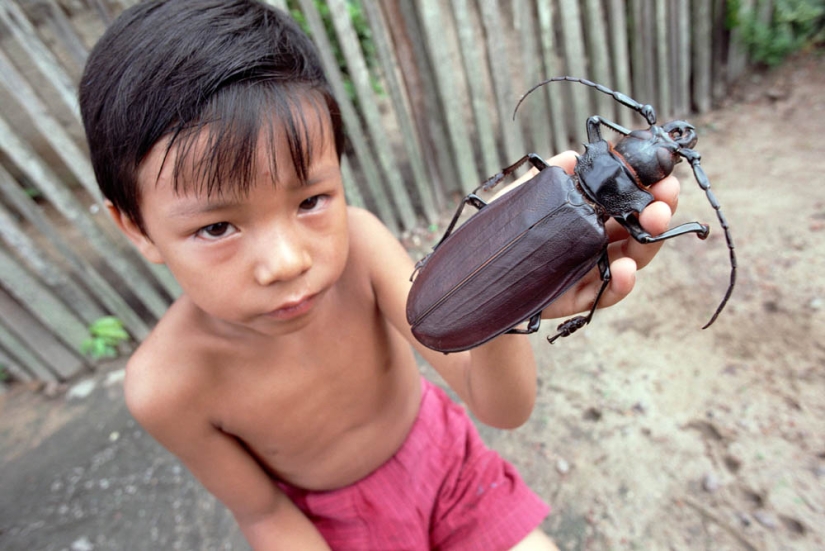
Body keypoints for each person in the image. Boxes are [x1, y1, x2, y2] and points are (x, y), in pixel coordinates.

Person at [79, 1, 679, 549]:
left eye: (310, 200)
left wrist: (507, 289)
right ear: (134, 226)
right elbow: (263, 514)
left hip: (451, 467)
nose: (288, 261)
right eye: (216, 228)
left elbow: (500, 408)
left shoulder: (361, 247)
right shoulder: (165, 388)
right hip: (342, 532)